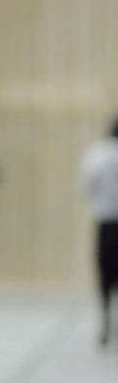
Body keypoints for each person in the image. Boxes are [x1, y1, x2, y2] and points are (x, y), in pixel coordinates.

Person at [81, 116, 118, 346]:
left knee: (106, 274)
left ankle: (106, 316)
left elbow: (85, 186)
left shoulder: (98, 153)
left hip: (106, 221)